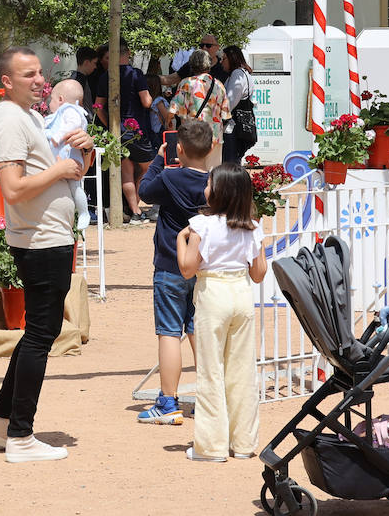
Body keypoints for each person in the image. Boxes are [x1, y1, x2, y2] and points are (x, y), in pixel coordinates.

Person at [0, 47, 94, 464]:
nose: (40, 79)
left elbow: (69, 167)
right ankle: (21, 436)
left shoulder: (29, 117)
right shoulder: (9, 120)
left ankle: (0, 423)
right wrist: (60, 172)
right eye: (29, 74)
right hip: (39, 240)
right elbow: (12, 189)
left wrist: (84, 150)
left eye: (40, 72)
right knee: (42, 335)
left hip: (49, 235)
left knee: (37, 333)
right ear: (6, 81)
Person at [177, 164, 268, 462]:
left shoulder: (202, 225)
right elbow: (258, 273)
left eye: (209, 183)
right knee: (241, 370)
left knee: (210, 369)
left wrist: (181, 240)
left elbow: (188, 269)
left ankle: (211, 446)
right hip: (241, 294)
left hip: (212, 294)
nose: (205, 188)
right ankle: (243, 443)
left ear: (219, 191)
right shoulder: (253, 227)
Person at [136, 119, 216, 425]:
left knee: (169, 332)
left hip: (170, 264)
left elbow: (144, 192)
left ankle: (168, 401)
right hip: (202, 266)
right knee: (199, 330)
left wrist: (158, 159)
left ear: (178, 149)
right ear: (211, 147)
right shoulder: (215, 182)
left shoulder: (170, 178)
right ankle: (207, 398)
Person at [116, 42, 156, 223]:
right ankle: (137, 208)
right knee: (149, 167)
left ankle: (134, 211)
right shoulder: (135, 74)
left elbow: (99, 105)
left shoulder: (107, 76)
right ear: (129, 53)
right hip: (137, 129)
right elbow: (146, 101)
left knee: (127, 171)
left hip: (118, 130)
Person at [43, 78, 90, 230]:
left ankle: (84, 212)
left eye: (51, 100)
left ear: (61, 99)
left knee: (75, 186)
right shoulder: (60, 115)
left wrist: (57, 136)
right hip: (61, 159)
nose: (49, 104)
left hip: (71, 158)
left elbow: (72, 125)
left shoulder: (71, 111)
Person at [173, 50, 231, 140]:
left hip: (192, 138)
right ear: (209, 65)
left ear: (191, 65)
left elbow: (181, 114)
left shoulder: (185, 84)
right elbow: (225, 115)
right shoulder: (219, 85)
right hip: (214, 138)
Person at [220, 47, 256, 165]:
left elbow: (230, 103)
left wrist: (220, 117)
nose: (221, 62)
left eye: (224, 59)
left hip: (233, 127)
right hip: (239, 127)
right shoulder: (243, 73)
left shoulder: (237, 74)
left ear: (232, 59)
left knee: (230, 163)